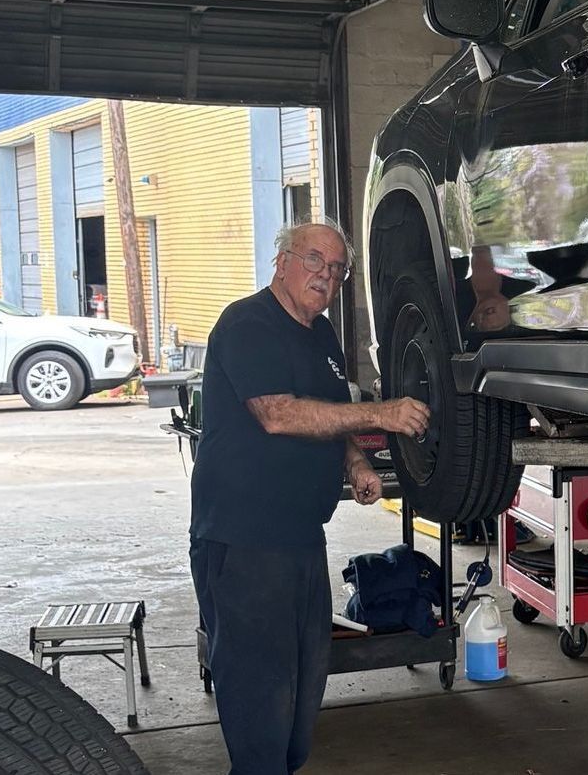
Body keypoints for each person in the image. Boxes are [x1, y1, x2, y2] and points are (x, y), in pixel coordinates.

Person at [189, 219, 429, 774]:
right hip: (243, 541)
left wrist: (356, 459)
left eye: (337, 269)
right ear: (282, 261)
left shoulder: (320, 334)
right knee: (258, 697)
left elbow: (325, 412)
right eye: (314, 260)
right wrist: (380, 412)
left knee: (300, 689)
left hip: (299, 537)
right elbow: (279, 414)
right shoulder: (247, 324)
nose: (325, 274)